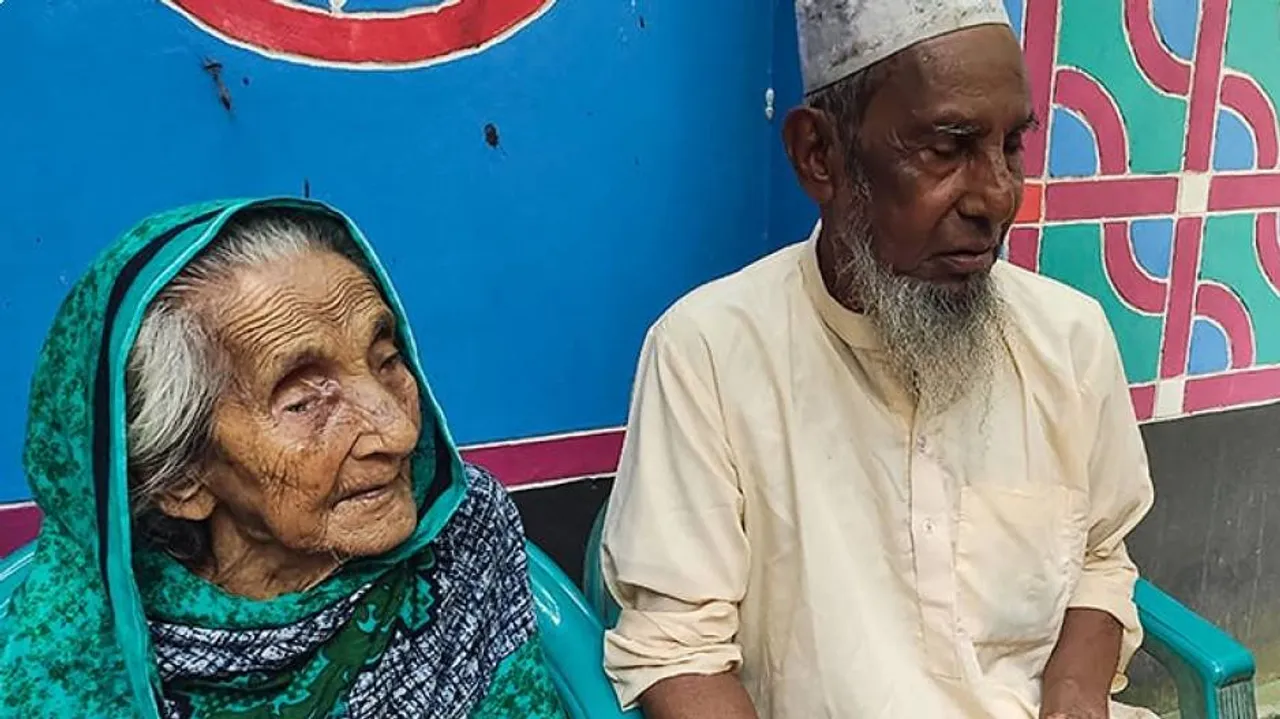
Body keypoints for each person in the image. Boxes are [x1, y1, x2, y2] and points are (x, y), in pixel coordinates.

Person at [599, 2, 1156, 718]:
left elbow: (1100, 558)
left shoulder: (1070, 338)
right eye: (947, 149)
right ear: (820, 156)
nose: (997, 196)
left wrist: (1075, 698)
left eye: (1011, 145)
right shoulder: (706, 355)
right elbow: (680, 655)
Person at [0, 199, 569, 718]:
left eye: (388, 360)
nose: (396, 433)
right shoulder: (67, 667)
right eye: (304, 401)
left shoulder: (465, 533)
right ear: (180, 481)